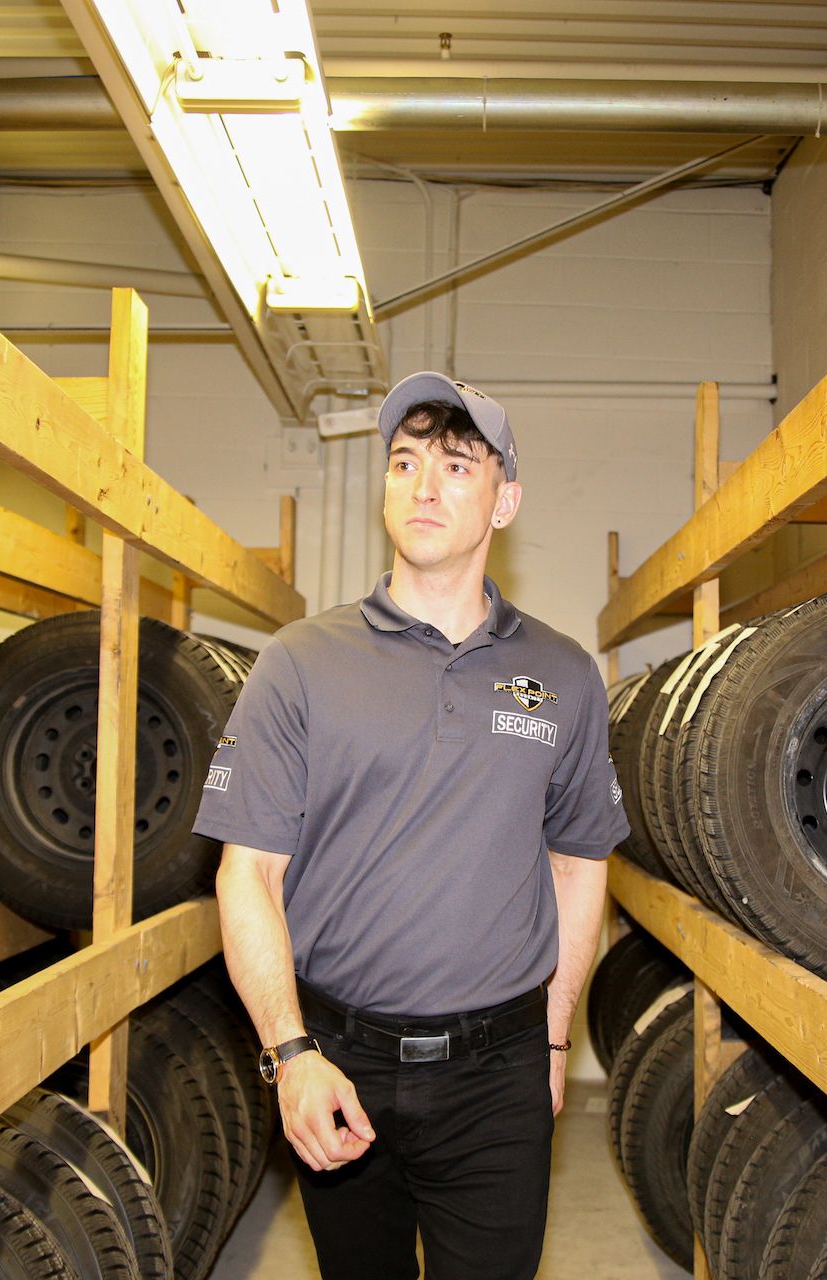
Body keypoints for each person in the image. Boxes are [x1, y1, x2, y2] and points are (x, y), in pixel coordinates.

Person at [194, 371, 628, 1280]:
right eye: (403, 462)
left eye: (456, 464)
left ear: (505, 499)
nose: (423, 486)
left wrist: (554, 1039)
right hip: (339, 1063)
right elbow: (248, 875)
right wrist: (291, 1054)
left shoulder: (561, 673)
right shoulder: (301, 663)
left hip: (498, 1071)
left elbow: (579, 865)